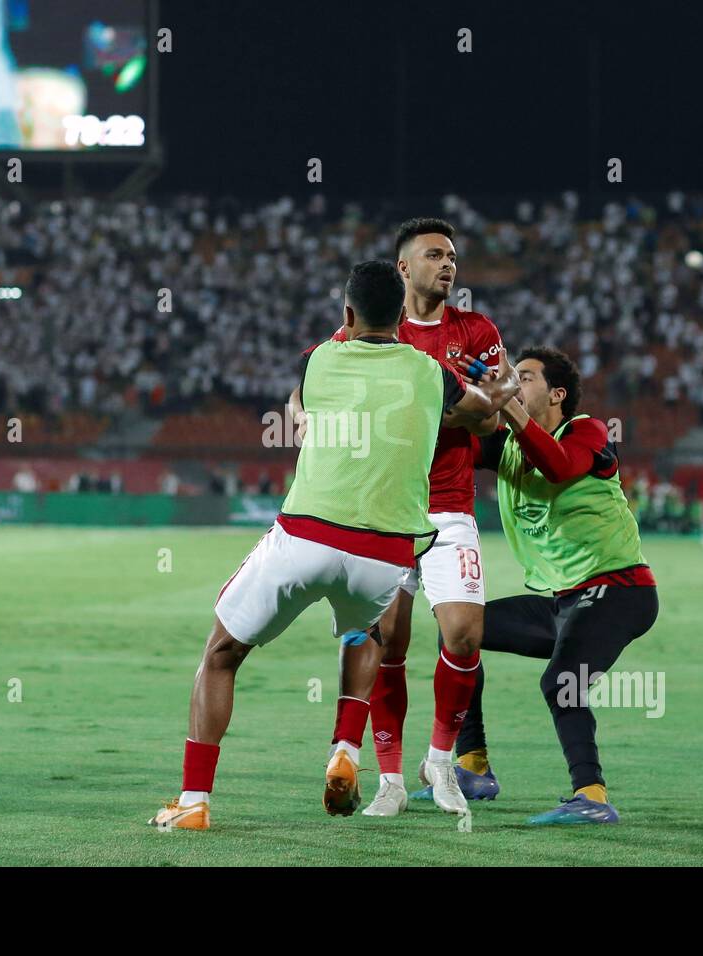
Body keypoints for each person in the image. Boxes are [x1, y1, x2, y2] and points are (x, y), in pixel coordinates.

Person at [149, 260, 517, 830]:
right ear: (403, 315)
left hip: (308, 535)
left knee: (221, 654)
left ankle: (194, 801)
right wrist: (498, 392)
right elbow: (485, 418)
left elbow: (300, 414)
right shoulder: (430, 373)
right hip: (385, 555)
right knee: (363, 632)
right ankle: (346, 745)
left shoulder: (318, 360)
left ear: (346, 315)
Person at [296, 218, 511, 818]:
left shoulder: (476, 331)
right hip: (385, 508)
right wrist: (301, 413)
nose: (448, 265)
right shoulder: (369, 331)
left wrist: (470, 404)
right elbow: (309, 377)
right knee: (388, 641)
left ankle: (439, 762)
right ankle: (389, 777)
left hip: (447, 505)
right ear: (403, 268)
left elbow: (492, 417)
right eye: (434, 254)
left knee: (464, 632)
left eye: (452, 256)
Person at [427, 346, 658, 824]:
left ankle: (592, 797)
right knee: (459, 631)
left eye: (525, 377)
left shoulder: (586, 431)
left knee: (561, 682)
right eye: (514, 376)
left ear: (557, 394)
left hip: (619, 589)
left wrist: (505, 403)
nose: (515, 382)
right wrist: (451, 384)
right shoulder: (508, 442)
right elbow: (447, 439)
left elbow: (557, 466)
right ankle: (472, 768)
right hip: (564, 602)